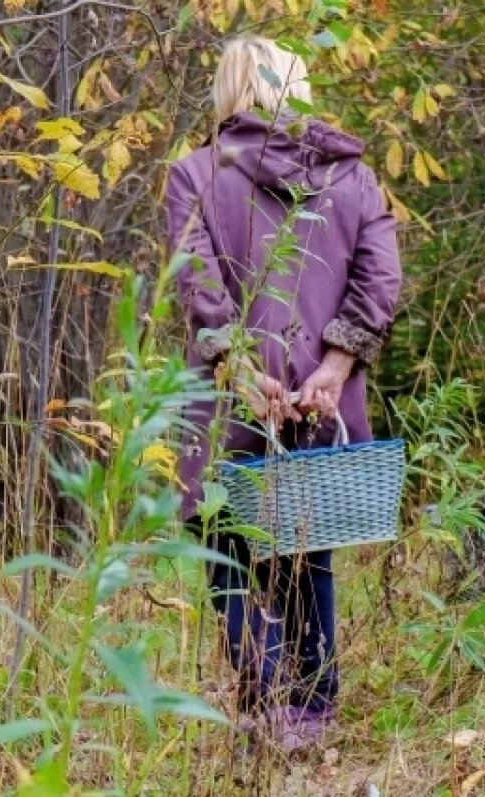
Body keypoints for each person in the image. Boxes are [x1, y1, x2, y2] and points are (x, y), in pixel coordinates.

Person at [165, 35, 402, 751]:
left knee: (222, 539)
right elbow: (380, 278)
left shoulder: (196, 173)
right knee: (305, 543)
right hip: (316, 405)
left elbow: (196, 280)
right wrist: (331, 371)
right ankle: (306, 706)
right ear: (294, 87)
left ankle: (262, 692)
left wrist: (240, 369)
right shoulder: (352, 177)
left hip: (227, 400)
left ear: (228, 90)